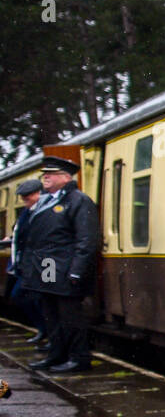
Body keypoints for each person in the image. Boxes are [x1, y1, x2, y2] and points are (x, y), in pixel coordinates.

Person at [24, 157, 99, 374]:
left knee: (70, 317)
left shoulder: (78, 200)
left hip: (65, 269)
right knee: (52, 315)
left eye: (52, 173)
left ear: (66, 177)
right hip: (47, 269)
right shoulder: (47, 200)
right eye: (45, 173)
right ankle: (56, 355)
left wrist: (77, 270)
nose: (45, 176)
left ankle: (78, 358)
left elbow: (86, 240)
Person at [5, 179, 48, 345]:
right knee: (20, 296)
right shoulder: (27, 212)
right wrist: (11, 238)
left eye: (27, 197)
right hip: (25, 265)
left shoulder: (43, 211)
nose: (24, 200)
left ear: (38, 194)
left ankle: (49, 334)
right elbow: (19, 231)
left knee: (38, 299)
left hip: (41, 265)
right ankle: (44, 330)